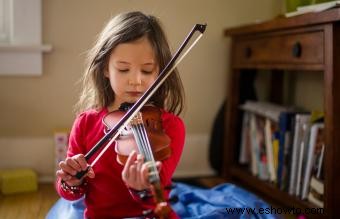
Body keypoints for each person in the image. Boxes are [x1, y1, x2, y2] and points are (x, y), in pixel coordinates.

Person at [55, 11, 185, 219]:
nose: (135, 80)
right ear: (106, 68)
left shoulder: (169, 126)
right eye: (124, 69)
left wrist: (141, 188)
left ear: (160, 70)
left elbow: (159, 198)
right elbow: (69, 193)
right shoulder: (86, 123)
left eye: (147, 70)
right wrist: (72, 181)